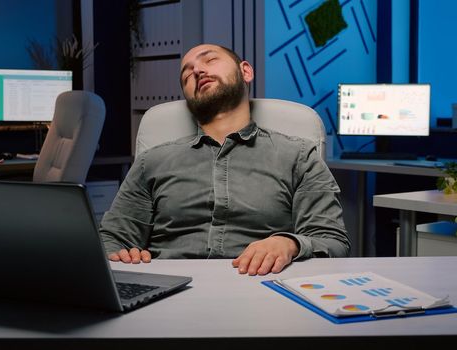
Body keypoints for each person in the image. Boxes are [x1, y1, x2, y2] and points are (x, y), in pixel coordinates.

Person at [99, 44, 350, 275]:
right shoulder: (151, 161)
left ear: (246, 71)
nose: (197, 70)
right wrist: (121, 253)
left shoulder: (299, 156)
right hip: (168, 287)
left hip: (263, 287)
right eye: (186, 74)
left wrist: (288, 243)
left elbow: (332, 242)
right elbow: (111, 238)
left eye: (210, 59)